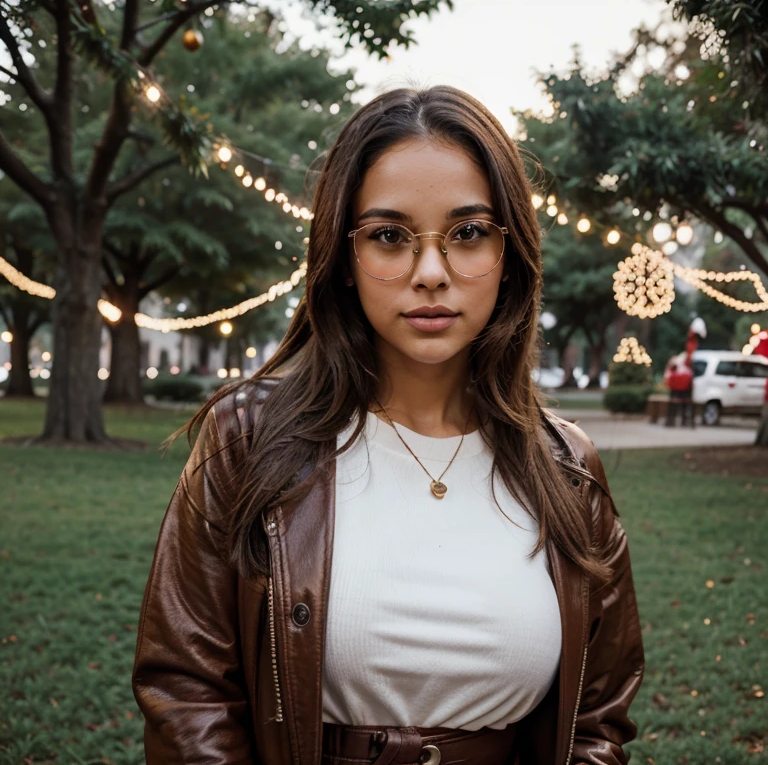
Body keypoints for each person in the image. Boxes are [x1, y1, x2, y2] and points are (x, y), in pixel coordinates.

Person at [132, 86, 644, 765]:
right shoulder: (246, 440)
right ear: (344, 258)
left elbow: (598, 718)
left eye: (467, 233)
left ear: (509, 251)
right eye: (389, 236)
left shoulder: (568, 469)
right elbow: (187, 693)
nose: (430, 273)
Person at [664, 357, 694, 427]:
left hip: (678, 392)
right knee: (683, 406)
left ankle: (672, 421)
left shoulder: (678, 371)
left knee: (675, 406)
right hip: (684, 392)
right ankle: (683, 421)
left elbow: (668, 380)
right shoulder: (687, 371)